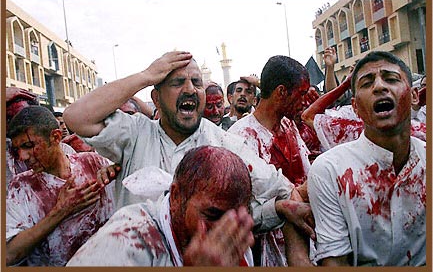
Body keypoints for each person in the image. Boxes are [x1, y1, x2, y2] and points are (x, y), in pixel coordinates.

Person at [63, 51, 314, 240]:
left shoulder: (224, 143)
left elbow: (273, 193)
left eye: (196, 82)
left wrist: (278, 209)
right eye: (177, 82)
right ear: (156, 98)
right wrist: (146, 76)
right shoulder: (135, 133)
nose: (190, 89)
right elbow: (76, 117)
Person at [308, 51, 426, 266]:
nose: (380, 87)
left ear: (415, 96)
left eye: (391, 79)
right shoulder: (330, 171)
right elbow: (336, 262)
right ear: (355, 107)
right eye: (366, 83)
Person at [67, 146, 255, 266]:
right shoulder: (124, 243)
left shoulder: (234, 234)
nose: (225, 230)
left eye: (238, 217)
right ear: (176, 197)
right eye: (212, 215)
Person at [228, 55, 314, 266]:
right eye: (301, 94)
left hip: (308, 246)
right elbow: (238, 213)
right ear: (281, 92)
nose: (305, 102)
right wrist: (279, 207)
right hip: (267, 254)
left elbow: (306, 174)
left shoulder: (289, 126)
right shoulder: (240, 137)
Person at [6, 106, 114, 266]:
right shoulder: (20, 187)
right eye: (17, 150)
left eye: (28, 146)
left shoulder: (92, 163)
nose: (22, 157)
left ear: (55, 137)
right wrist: (61, 210)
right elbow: (9, 254)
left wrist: (117, 169)